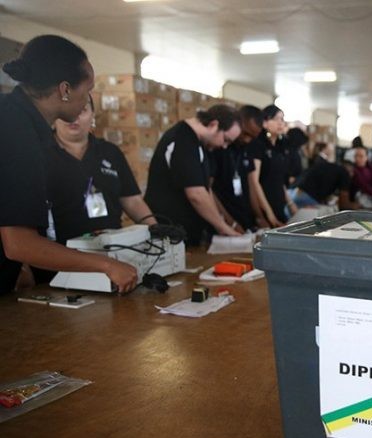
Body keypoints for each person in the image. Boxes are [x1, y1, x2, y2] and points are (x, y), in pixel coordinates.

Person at [0, 35, 137, 294]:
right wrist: (107, 265)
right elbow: (19, 243)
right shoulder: (18, 133)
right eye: (87, 90)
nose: (88, 99)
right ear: (64, 90)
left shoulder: (17, 118)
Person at [46, 94, 157, 244]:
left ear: (92, 115)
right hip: (61, 251)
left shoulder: (110, 152)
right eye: (67, 110)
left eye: (82, 110)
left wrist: (155, 229)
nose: (74, 117)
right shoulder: (40, 153)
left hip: (111, 246)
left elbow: (132, 200)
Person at [144, 104, 242, 246]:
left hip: (186, 233)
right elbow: (196, 194)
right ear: (214, 125)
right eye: (226, 140)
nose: (224, 146)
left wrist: (221, 224)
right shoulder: (182, 139)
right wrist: (223, 227)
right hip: (168, 233)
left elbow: (205, 190)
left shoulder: (199, 144)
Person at [210, 104, 266, 232]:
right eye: (246, 134)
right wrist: (231, 223)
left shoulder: (246, 149)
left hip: (244, 219)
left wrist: (259, 217)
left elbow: (251, 185)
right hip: (224, 221)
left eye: (252, 137)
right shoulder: (219, 146)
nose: (247, 140)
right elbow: (209, 190)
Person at [248, 104, 296, 227]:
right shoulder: (258, 145)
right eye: (276, 119)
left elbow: (279, 180)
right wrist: (268, 213)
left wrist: (290, 204)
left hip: (279, 204)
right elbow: (254, 181)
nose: (281, 123)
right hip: (263, 206)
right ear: (264, 123)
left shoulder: (279, 147)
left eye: (282, 119)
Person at [289, 142, 359, 211]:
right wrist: (355, 206)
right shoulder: (345, 173)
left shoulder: (331, 166)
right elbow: (344, 205)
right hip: (307, 197)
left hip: (294, 192)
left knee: (290, 220)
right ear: (351, 171)